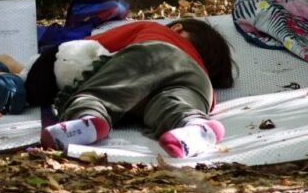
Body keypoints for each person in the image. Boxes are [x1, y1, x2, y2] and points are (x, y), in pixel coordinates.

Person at [34, 19, 235, 158]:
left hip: (153, 54)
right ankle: (196, 126)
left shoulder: (156, 30)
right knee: (173, 106)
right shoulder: (202, 72)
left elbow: (85, 44)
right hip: (198, 84)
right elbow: (203, 98)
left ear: (177, 28)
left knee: (99, 93)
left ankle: (88, 118)